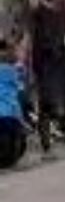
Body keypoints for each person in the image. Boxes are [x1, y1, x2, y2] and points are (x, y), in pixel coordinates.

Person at [28, 0, 65, 155]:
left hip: (63, 60)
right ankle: (46, 146)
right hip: (45, 64)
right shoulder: (38, 12)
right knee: (46, 104)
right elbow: (38, 40)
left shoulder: (63, 10)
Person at [0, 37, 28, 170]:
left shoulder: (12, 69)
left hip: (7, 113)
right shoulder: (13, 70)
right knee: (18, 133)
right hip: (11, 112)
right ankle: (12, 161)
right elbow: (21, 87)